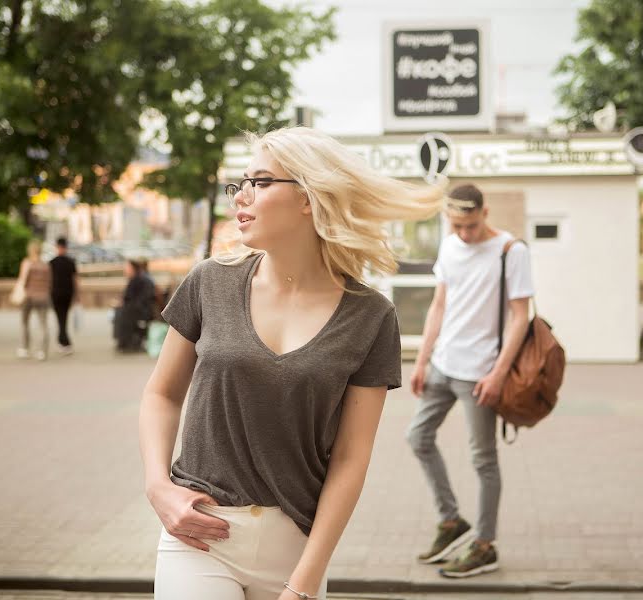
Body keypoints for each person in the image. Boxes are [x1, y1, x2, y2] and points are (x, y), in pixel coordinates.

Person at [139, 126, 443, 600]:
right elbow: (161, 393)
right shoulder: (209, 282)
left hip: (297, 550)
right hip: (199, 534)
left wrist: (304, 583)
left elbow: (350, 458)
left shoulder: (371, 315)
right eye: (239, 183)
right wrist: (158, 486)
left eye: (260, 182)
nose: (241, 196)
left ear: (309, 197)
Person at [407, 183, 534, 578]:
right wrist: (421, 359)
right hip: (443, 364)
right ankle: (451, 522)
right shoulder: (450, 246)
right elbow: (440, 304)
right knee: (418, 437)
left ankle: (485, 544)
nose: (465, 233)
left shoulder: (511, 251)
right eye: (458, 225)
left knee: (483, 460)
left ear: (486, 213)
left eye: (472, 225)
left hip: (481, 374)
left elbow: (520, 317)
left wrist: (497, 373)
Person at [16, 239, 52, 361]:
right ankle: (42, 351)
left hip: (29, 296)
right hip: (43, 297)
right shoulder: (46, 265)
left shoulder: (27, 263)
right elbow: (50, 283)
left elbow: (23, 280)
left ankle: (24, 349)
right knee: (43, 325)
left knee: (24, 322)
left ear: (30, 251)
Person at [114, 259, 156, 352]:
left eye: (127, 268)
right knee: (120, 312)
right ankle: (125, 342)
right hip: (141, 309)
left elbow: (129, 297)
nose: (125, 270)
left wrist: (122, 303)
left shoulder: (137, 280)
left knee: (121, 314)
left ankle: (124, 342)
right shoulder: (141, 278)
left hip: (139, 311)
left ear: (133, 269)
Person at [49, 237, 79, 355]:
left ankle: (64, 341)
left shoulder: (52, 262)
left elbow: (49, 280)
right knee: (63, 318)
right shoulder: (71, 262)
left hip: (56, 294)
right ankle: (64, 341)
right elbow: (75, 279)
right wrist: (77, 295)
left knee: (60, 318)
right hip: (67, 293)